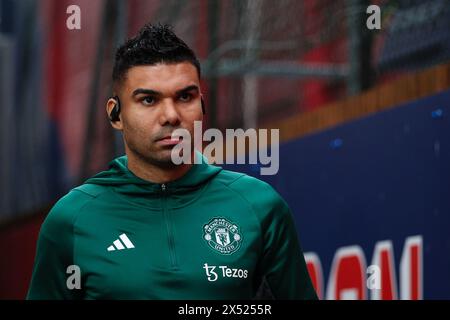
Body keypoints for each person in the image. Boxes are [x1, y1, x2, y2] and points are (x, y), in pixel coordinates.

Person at [27, 23, 317, 300]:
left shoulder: (259, 206)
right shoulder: (72, 219)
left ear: (202, 106)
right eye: (149, 100)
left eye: (185, 97)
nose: (171, 116)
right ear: (116, 114)